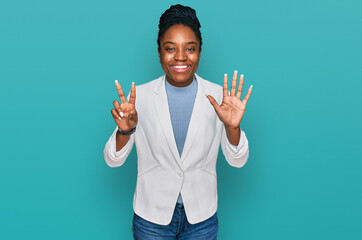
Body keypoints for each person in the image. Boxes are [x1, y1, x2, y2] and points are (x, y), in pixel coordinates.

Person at [104, 4, 252, 240]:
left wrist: (232, 127)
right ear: (159, 52)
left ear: (200, 51)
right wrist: (126, 131)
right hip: (151, 217)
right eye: (170, 48)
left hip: (201, 219)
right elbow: (112, 160)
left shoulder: (221, 99)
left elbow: (238, 161)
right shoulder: (138, 98)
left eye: (190, 48)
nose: (181, 57)